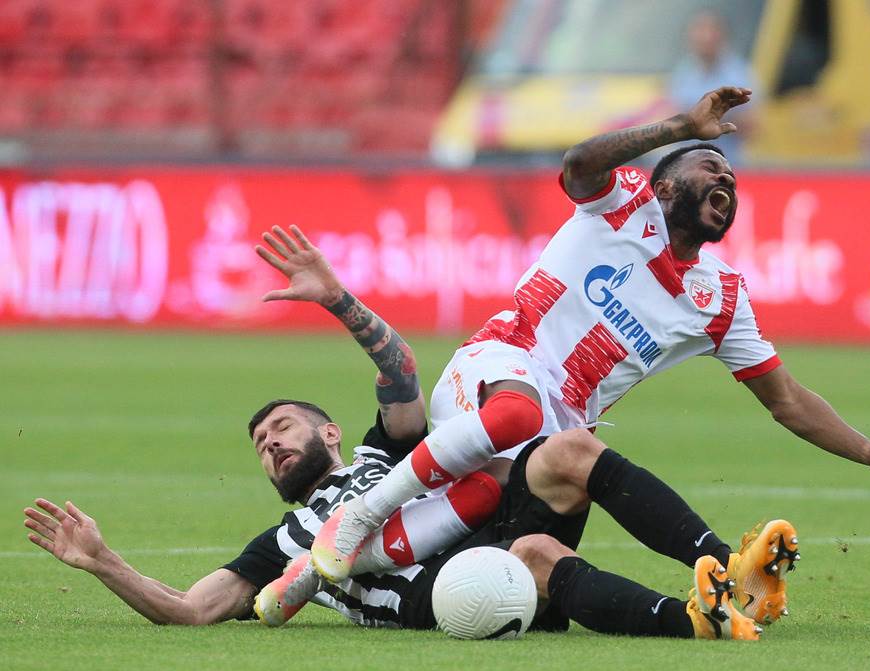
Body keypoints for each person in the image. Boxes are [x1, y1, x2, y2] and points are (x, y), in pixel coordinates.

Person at [310, 86, 870, 593]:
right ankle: (364, 512)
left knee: (531, 580)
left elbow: (787, 400)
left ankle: (722, 590)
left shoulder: (721, 297)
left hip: (545, 445)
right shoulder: (621, 199)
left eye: (733, 183)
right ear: (663, 183)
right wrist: (681, 127)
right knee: (527, 418)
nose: (726, 183)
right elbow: (578, 164)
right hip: (492, 374)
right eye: (710, 169)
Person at [23, 226, 792, 641]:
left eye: (282, 428)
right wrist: (102, 562)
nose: (271, 445)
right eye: (261, 447)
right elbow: (191, 608)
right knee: (526, 557)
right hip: (439, 596)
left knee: (567, 451)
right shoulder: (285, 543)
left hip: (482, 522)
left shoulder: (375, 452)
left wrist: (341, 303)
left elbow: (399, 372)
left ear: (327, 431)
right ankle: (690, 622)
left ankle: (728, 569)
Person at [669, 10, 756, 163]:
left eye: (711, 30)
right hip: (686, 162)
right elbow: (671, 113)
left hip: (726, 162)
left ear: (722, 36)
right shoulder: (684, 72)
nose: (705, 37)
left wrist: (716, 115)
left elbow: (752, 126)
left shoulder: (739, 74)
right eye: (699, 30)